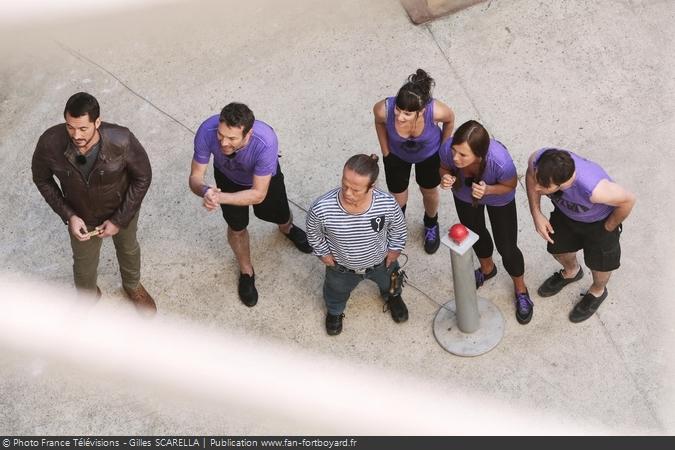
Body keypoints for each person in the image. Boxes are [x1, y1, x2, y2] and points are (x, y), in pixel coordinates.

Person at [31, 92, 156, 314]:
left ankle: (133, 286)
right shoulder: (49, 143)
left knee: (128, 250)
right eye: (70, 127)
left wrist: (120, 219)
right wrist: (68, 214)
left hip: (121, 208)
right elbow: (42, 178)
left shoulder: (122, 139)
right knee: (83, 264)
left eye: (83, 128)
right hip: (81, 215)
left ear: (97, 122)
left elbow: (143, 176)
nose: (75, 135)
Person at [190, 102, 312, 307]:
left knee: (280, 214)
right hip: (227, 176)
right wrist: (205, 191)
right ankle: (246, 271)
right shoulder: (207, 130)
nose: (223, 143)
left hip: (264, 181)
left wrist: (219, 198)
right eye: (221, 135)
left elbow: (258, 194)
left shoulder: (266, 141)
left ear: (248, 134)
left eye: (232, 138)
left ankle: (286, 227)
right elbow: (195, 177)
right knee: (236, 227)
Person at [525, 148, 636, 323]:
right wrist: (536, 213)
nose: (536, 187)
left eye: (544, 186)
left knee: (601, 265)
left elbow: (628, 200)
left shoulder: (594, 188)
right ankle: (572, 272)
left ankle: (597, 291)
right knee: (558, 249)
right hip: (566, 215)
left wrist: (608, 227)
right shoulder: (537, 161)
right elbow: (531, 176)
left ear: (563, 183)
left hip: (599, 222)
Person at [439, 120, 533, 324]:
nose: (456, 157)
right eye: (455, 151)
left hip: (499, 198)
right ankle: (487, 268)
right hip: (464, 194)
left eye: (463, 155)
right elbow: (444, 167)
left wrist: (488, 190)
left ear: (479, 155)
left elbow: (510, 184)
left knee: (507, 247)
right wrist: (445, 177)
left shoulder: (500, 162)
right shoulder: (448, 149)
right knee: (475, 232)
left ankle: (520, 288)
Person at [306, 154, 408, 336]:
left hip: (381, 263)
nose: (347, 193)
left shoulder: (386, 204)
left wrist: (395, 249)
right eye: (344, 184)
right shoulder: (322, 208)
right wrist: (323, 254)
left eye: (355, 189)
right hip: (341, 268)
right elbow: (314, 233)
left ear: (372, 187)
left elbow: (398, 228)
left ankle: (393, 296)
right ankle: (335, 311)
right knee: (335, 291)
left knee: (391, 283)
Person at [373, 68, 455, 254]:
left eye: (407, 114)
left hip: (429, 155)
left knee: (429, 191)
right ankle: (397, 227)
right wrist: (386, 152)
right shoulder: (383, 110)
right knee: (398, 196)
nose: (400, 117)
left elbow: (450, 120)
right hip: (397, 156)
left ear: (422, 110)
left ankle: (431, 223)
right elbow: (378, 123)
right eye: (398, 110)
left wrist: (444, 149)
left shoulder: (435, 111)